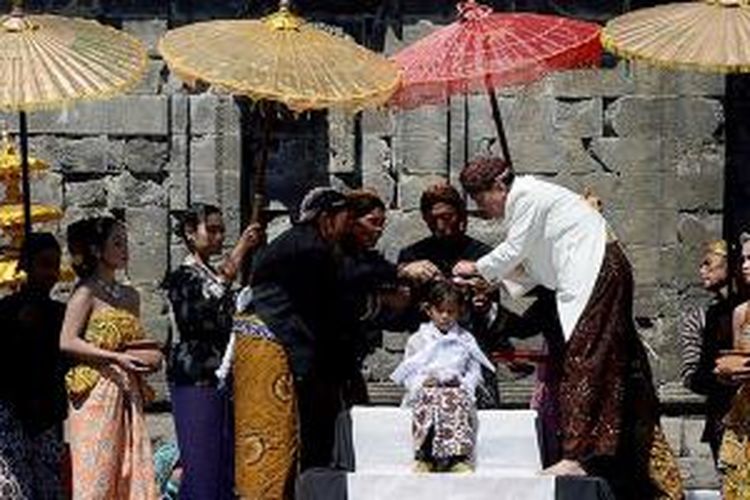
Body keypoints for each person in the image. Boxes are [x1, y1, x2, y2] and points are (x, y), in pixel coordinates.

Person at [452, 157, 683, 499]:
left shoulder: (526, 196)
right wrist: (491, 280)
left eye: (481, 199)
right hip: (593, 274)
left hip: (595, 274)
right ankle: (595, 448)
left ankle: (577, 455)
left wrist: (477, 266)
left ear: (497, 187)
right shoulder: (529, 201)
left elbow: (516, 250)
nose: (483, 210)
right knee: (595, 360)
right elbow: (531, 265)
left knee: (585, 359)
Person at [250, 187, 355, 472]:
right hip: (299, 357)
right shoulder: (309, 249)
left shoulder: (302, 243)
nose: (346, 230)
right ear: (325, 219)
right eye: (344, 222)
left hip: (300, 353)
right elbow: (322, 309)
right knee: (311, 441)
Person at [163, 203, 262, 500]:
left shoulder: (211, 274)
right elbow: (201, 313)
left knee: (224, 463)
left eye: (223, 231)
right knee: (202, 463)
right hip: (197, 375)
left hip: (225, 373)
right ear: (191, 233)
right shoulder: (183, 277)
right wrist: (239, 252)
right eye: (213, 230)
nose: (220, 237)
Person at [61, 216, 160, 500]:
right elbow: (67, 341)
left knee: (126, 474)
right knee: (97, 474)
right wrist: (113, 358)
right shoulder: (85, 293)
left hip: (128, 389)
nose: (124, 249)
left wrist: (148, 357)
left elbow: (135, 344)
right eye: (117, 242)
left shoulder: (131, 296)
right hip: (95, 390)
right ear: (96, 250)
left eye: (125, 242)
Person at [398, 182, 506, 409]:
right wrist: (406, 275)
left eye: (446, 216)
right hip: (428, 357)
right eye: (432, 219)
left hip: (472, 353)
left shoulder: (482, 255)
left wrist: (483, 303)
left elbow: (495, 319)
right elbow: (403, 315)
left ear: (460, 215)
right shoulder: (413, 255)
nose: (439, 225)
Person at [340, 189, 438, 405]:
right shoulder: (335, 254)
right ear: (351, 221)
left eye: (382, 223)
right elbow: (343, 295)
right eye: (372, 221)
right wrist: (384, 296)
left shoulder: (368, 258)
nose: (378, 230)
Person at [391, 280, 495, 473]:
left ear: (459, 311)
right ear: (429, 310)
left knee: (452, 401)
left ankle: (457, 458)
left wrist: (463, 384)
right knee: (430, 400)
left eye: (451, 311)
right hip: (427, 391)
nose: (445, 316)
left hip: (456, 391)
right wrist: (423, 382)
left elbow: (474, 373)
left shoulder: (466, 340)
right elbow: (408, 372)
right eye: (441, 311)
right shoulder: (418, 339)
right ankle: (425, 456)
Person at [0, 233, 67, 499]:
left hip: (47, 415)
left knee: (48, 488)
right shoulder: (5, 310)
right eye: (44, 264)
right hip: (11, 413)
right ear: (26, 264)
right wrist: (17, 330)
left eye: (55, 265)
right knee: (15, 489)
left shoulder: (61, 313)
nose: (51, 273)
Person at [679, 239, 736, 463]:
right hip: (720, 411)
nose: (702, 270)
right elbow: (691, 373)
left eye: (708, 263)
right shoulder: (703, 316)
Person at [717, 233, 750, 499]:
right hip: (745, 412)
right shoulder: (741, 313)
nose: (746, 265)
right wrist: (728, 374)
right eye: (744, 259)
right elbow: (738, 359)